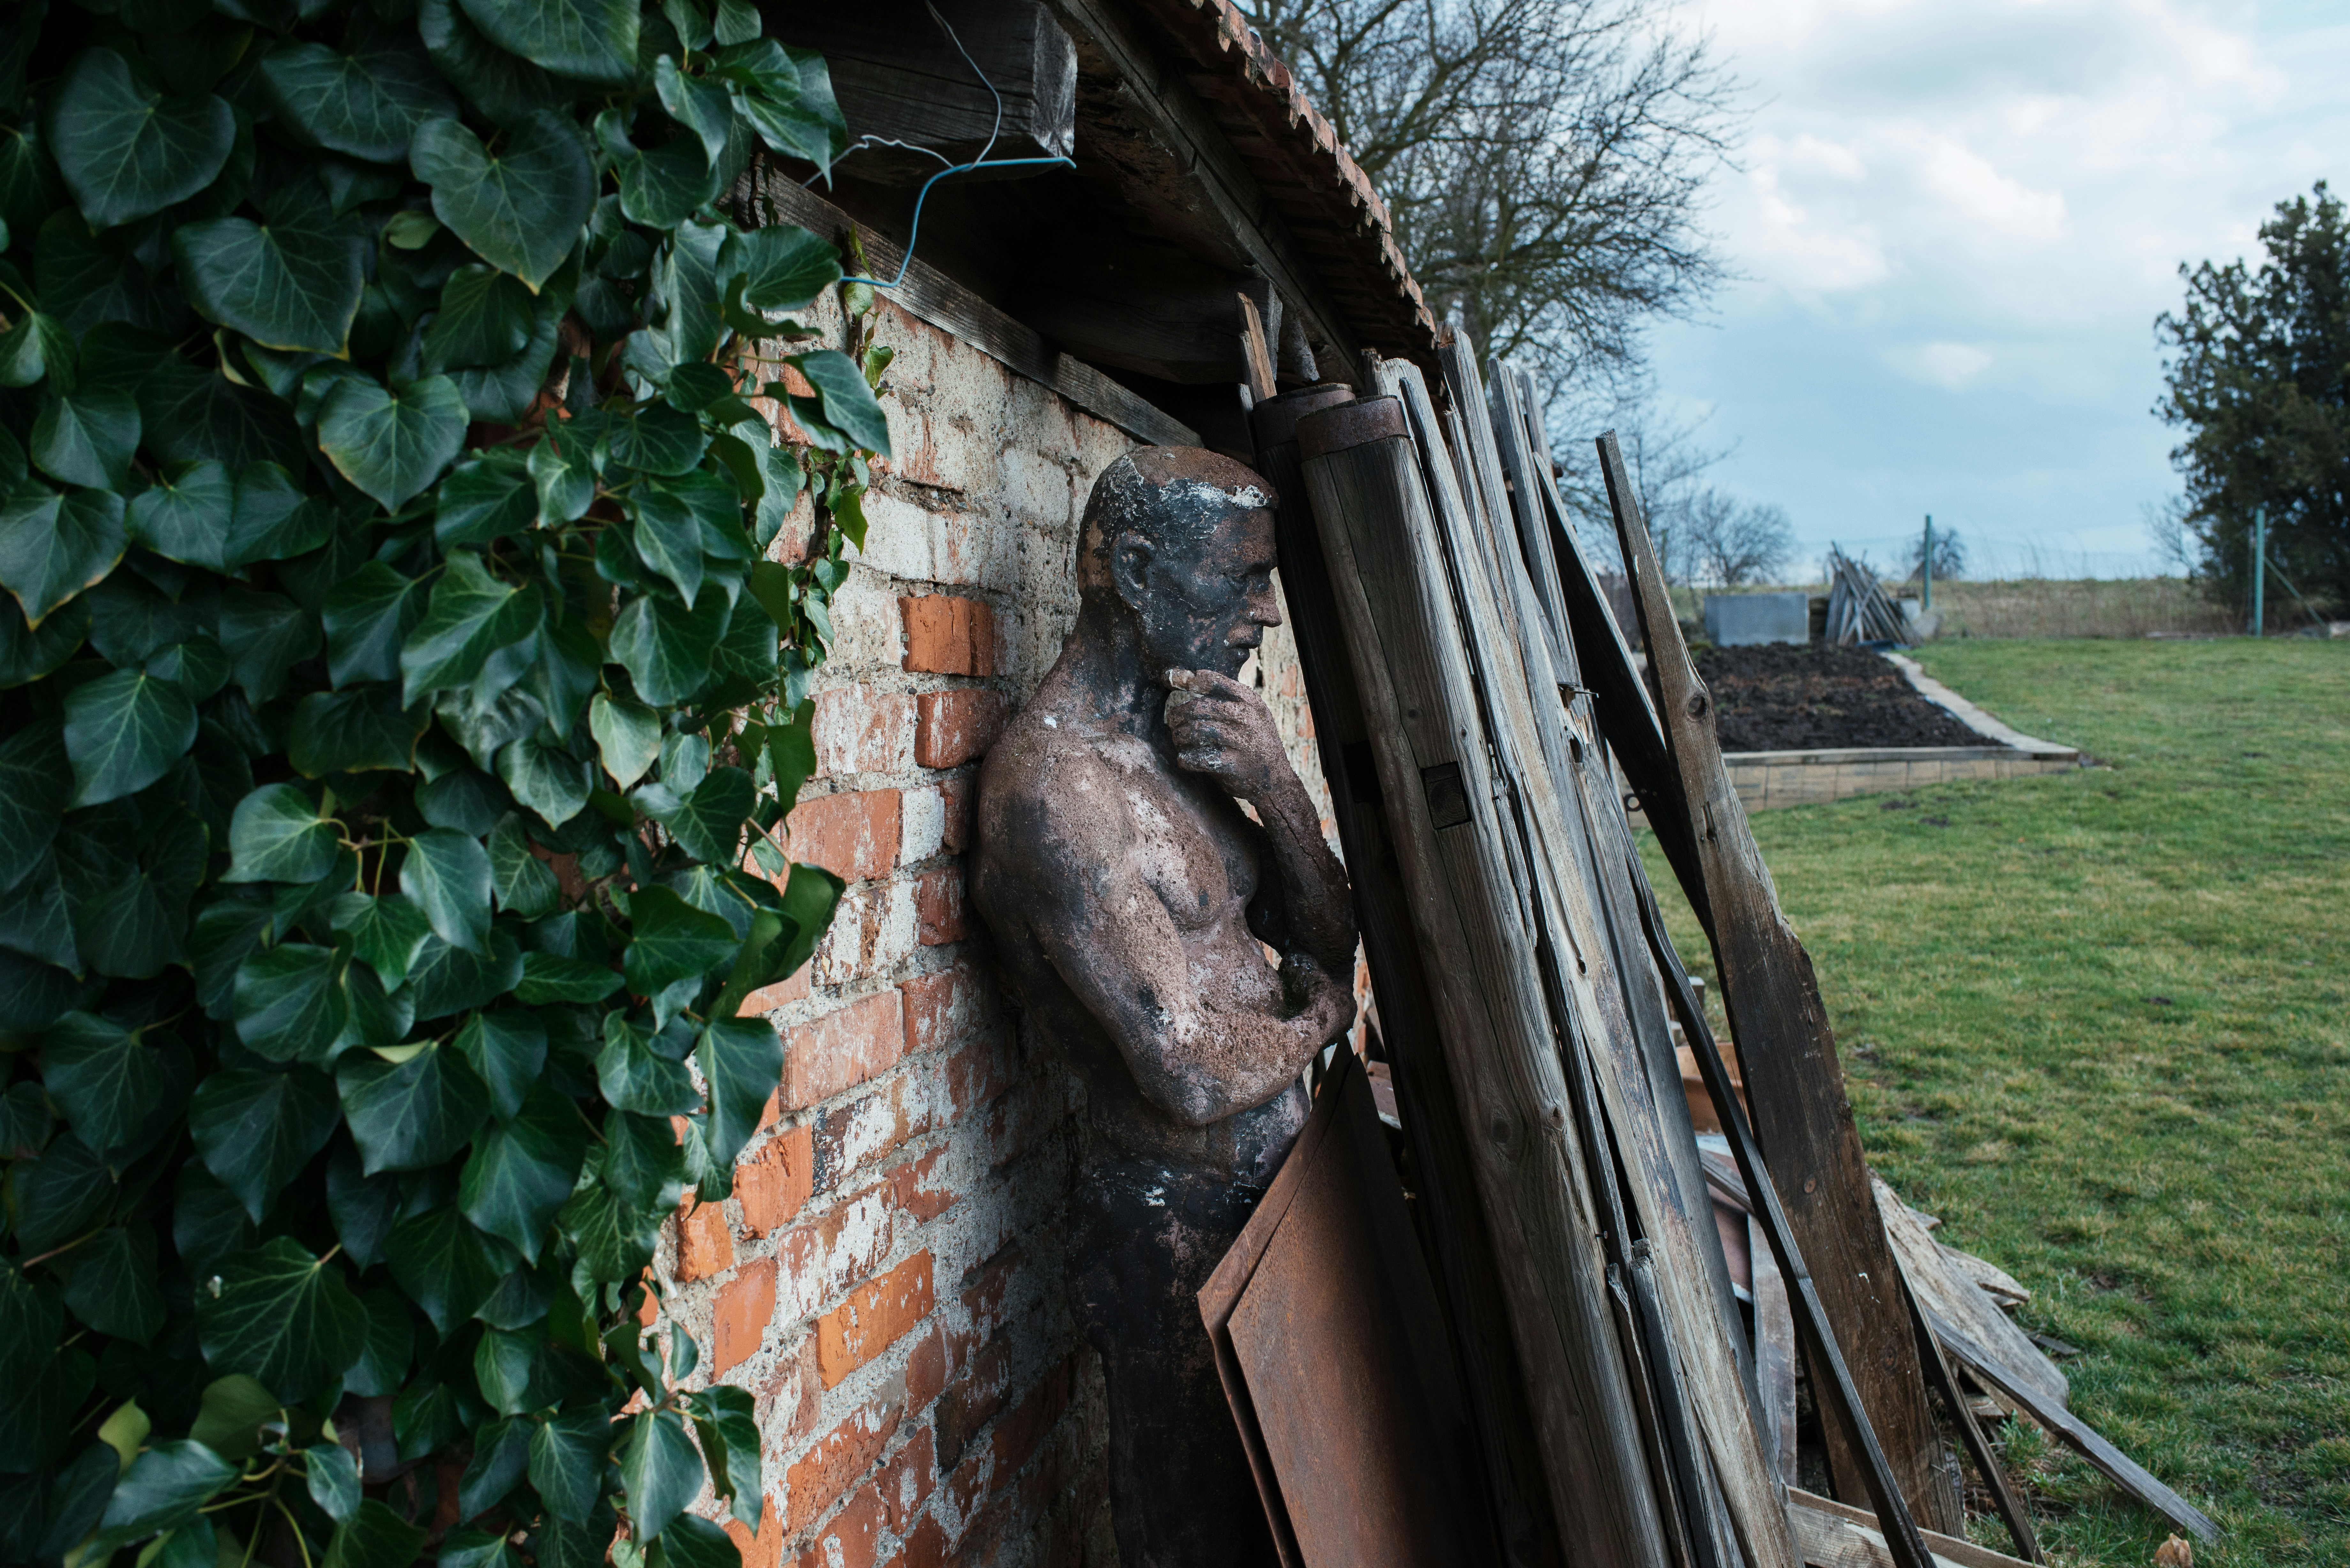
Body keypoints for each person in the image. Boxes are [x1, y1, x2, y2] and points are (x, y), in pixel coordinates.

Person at [972, 448, 1358, 1564]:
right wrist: (1324, 1022)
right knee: (1193, 1538)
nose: (1267, 615)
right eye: (1242, 580)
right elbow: (1185, 1071)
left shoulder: (1187, 744)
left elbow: (1325, 939)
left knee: (1289, 1527)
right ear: (1136, 570)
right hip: (1172, 1223)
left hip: (1275, 1190)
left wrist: (1281, 794)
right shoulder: (1057, 792)